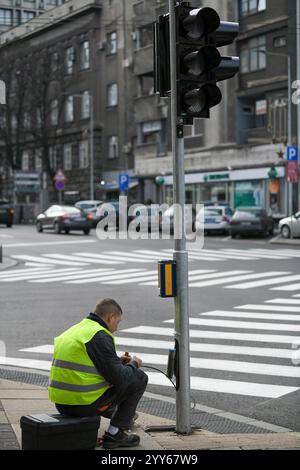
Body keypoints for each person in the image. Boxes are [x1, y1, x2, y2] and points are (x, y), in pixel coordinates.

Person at [48, 299, 148, 449]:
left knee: (122, 375)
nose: (117, 327)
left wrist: (117, 362)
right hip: (83, 404)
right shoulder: (99, 335)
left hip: (62, 403)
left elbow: (87, 366)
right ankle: (114, 434)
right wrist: (134, 364)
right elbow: (120, 379)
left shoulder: (77, 330)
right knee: (139, 377)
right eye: (118, 322)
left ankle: (117, 415)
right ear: (110, 317)